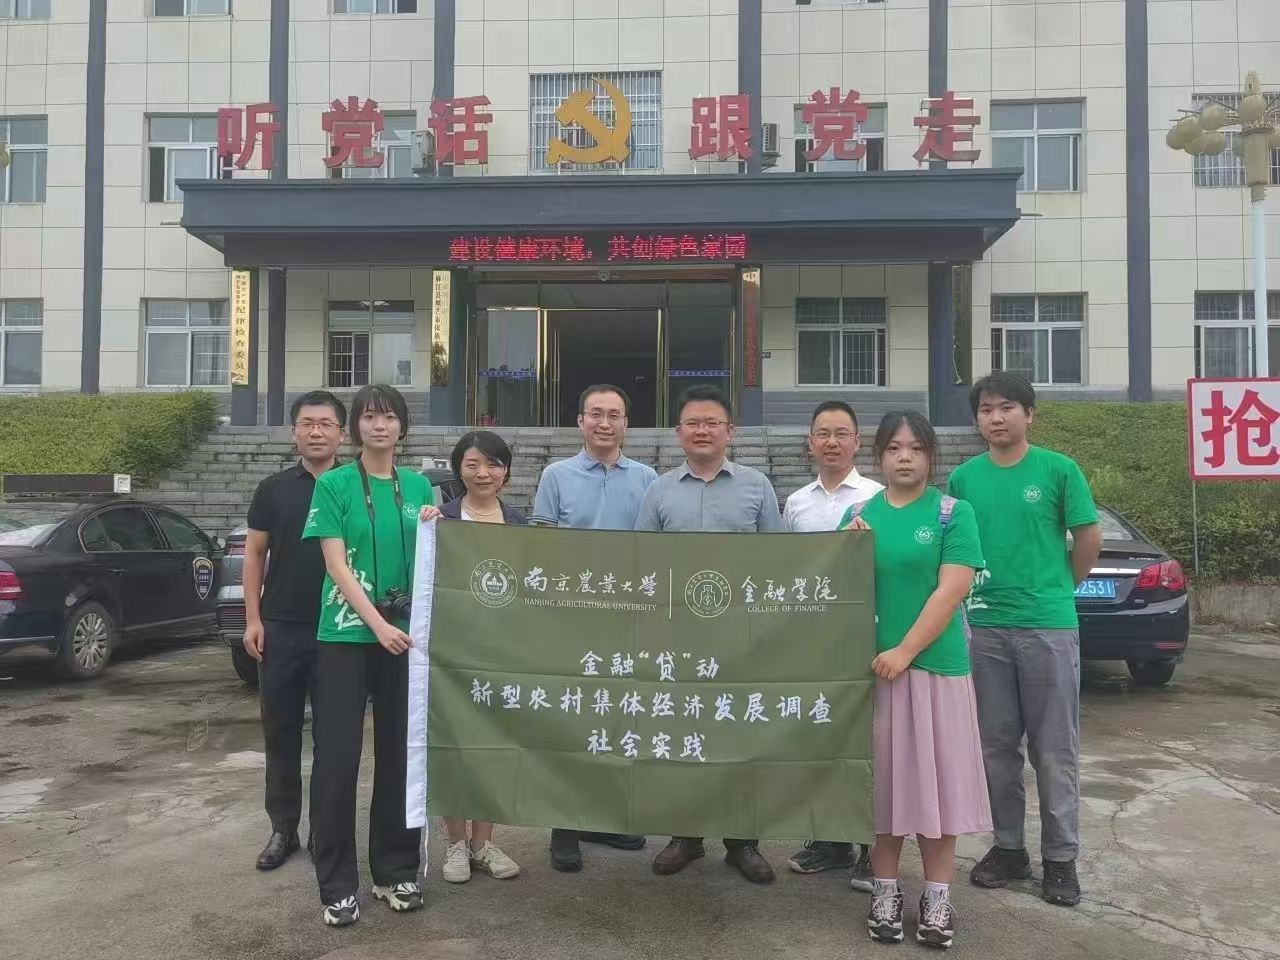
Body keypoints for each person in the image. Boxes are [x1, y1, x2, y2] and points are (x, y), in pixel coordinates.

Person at [947, 373, 1101, 908]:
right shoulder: (964, 479)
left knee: (1054, 748)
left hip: (1048, 628)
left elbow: (1087, 538)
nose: (995, 417)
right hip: (984, 627)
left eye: (1007, 407)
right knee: (995, 748)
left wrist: (1058, 587)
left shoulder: (1058, 469)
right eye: (985, 409)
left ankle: (1061, 859)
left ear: (1029, 414)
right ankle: (1009, 849)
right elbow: (955, 548)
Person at [839, 411, 990, 950]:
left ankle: (937, 897)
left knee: (937, 792)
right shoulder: (858, 515)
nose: (905, 457)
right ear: (877, 456)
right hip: (873, 673)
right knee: (883, 789)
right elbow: (838, 595)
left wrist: (905, 650)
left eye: (916, 448)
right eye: (894, 448)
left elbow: (952, 590)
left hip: (934, 669)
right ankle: (885, 891)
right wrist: (845, 552)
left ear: (931, 456)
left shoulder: (953, 514)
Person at [635, 383, 784, 884]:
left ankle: (743, 842)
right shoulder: (658, 490)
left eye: (712, 423)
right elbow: (642, 560)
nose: (702, 431)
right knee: (682, 734)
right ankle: (686, 836)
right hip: (677, 637)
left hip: (739, 637)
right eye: (693, 423)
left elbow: (775, 560)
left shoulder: (757, 486)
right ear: (678, 433)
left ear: (730, 431)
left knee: (739, 735)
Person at [302, 384, 435, 928]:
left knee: (401, 755)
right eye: (370, 417)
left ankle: (396, 869)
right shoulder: (333, 484)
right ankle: (336, 884)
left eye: (389, 417)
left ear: (403, 426)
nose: (380, 426)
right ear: (354, 426)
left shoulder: (419, 485)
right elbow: (335, 565)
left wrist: (436, 524)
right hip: (345, 635)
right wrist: (377, 624)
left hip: (406, 638)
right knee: (337, 760)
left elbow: (430, 557)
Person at [531, 384, 656, 873]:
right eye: (596, 414)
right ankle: (564, 826)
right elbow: (541, 546)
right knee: (571, 718)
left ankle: (603, 817)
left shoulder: (648, 478)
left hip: (627, 618)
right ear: (580, 421)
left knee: (619, 716)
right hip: (573, 618)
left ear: (627, 423)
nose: (605, 423)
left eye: (614, 415)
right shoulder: (555, 475)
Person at [242, 391, 346, 871]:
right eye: (307, 423)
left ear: (341, 434)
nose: (316, 432)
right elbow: (254, 555)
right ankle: (283, 829)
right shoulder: (274, 489)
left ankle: (325, 831)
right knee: (280, 731)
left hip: (338, 629)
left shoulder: (354, 486)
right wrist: (253, 619)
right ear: (294, 432)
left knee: (333, 736)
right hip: (281, 627)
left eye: (326, 424)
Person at [781, 400, 883, 890]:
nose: (832, 442)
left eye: (842, 433)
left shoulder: (879, 497)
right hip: (813, 640)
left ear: (858, 442)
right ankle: (829, 841)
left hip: (867, 636)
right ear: (810, 442)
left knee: (869, 742)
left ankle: (873, 849)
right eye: (822, 433)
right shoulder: (796, 503)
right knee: (820, 737)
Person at [419, 430, 524, 883]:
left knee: (494, 748)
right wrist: (424, 526)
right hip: (451, 654)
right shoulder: (440, 518)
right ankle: (456, 844)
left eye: (493, 464)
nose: (484, 473)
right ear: (458, 470)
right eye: (473, 464)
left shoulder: (518, 523)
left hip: (502, 652)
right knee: (455, 748)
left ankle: (484, 843)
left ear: (506, 471)